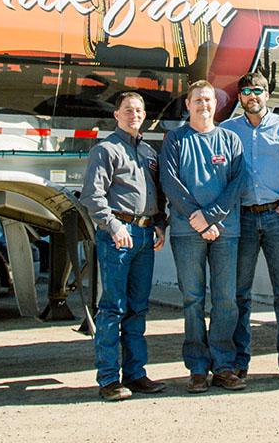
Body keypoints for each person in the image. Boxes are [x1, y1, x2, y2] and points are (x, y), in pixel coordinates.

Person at [221, 72, 279, 383]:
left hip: (277, 217)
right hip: (241, 219)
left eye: (257, 90)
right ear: (240, 96)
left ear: (267, 94)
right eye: (246, 91)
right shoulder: (228, 131)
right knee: (239, 294)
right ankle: (238, 361)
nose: (252, 96)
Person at [81, 91, 168, 402]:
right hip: (118, 235)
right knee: (113, 308)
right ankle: (108, 379)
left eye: (139, 110)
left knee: (138, 309)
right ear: (116, 115)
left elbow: (158, 195)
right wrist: (114, 226)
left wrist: (160, 224)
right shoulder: (105, 150)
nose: (135, 115)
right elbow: (92, 196)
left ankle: (136, 374)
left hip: (145, 236)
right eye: (128, 110)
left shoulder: (148, 152)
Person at [160, 80, 246, 392]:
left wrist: (211, 217)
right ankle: (197, 368)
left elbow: (238, 182)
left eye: (208, 100)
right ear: (188, 104)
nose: (204, 105)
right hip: (187, 232)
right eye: (197, 100)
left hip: (225, 230)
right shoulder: (176, 139)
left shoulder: (230, 140)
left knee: (225, 300)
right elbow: (169, 182)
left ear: (215, 104)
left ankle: (223, 366)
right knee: (192, 299)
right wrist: (196, 219)